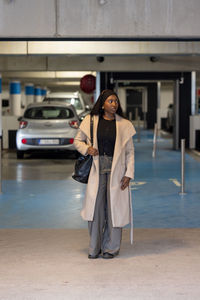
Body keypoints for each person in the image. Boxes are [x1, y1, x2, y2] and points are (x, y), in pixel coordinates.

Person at [74, 89, 136, 259]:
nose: (114, 104)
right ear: (102, 104)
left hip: (117, 171)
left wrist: (129, 174)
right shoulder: (90, 121)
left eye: (116, 101)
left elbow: (130, 152)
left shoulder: (125, 124)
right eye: (110, 101)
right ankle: (94, 248)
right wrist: (87, 149)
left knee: (114, 211)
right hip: (97, 169)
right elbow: (77, 141)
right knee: (95, 211)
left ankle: (111, 248)